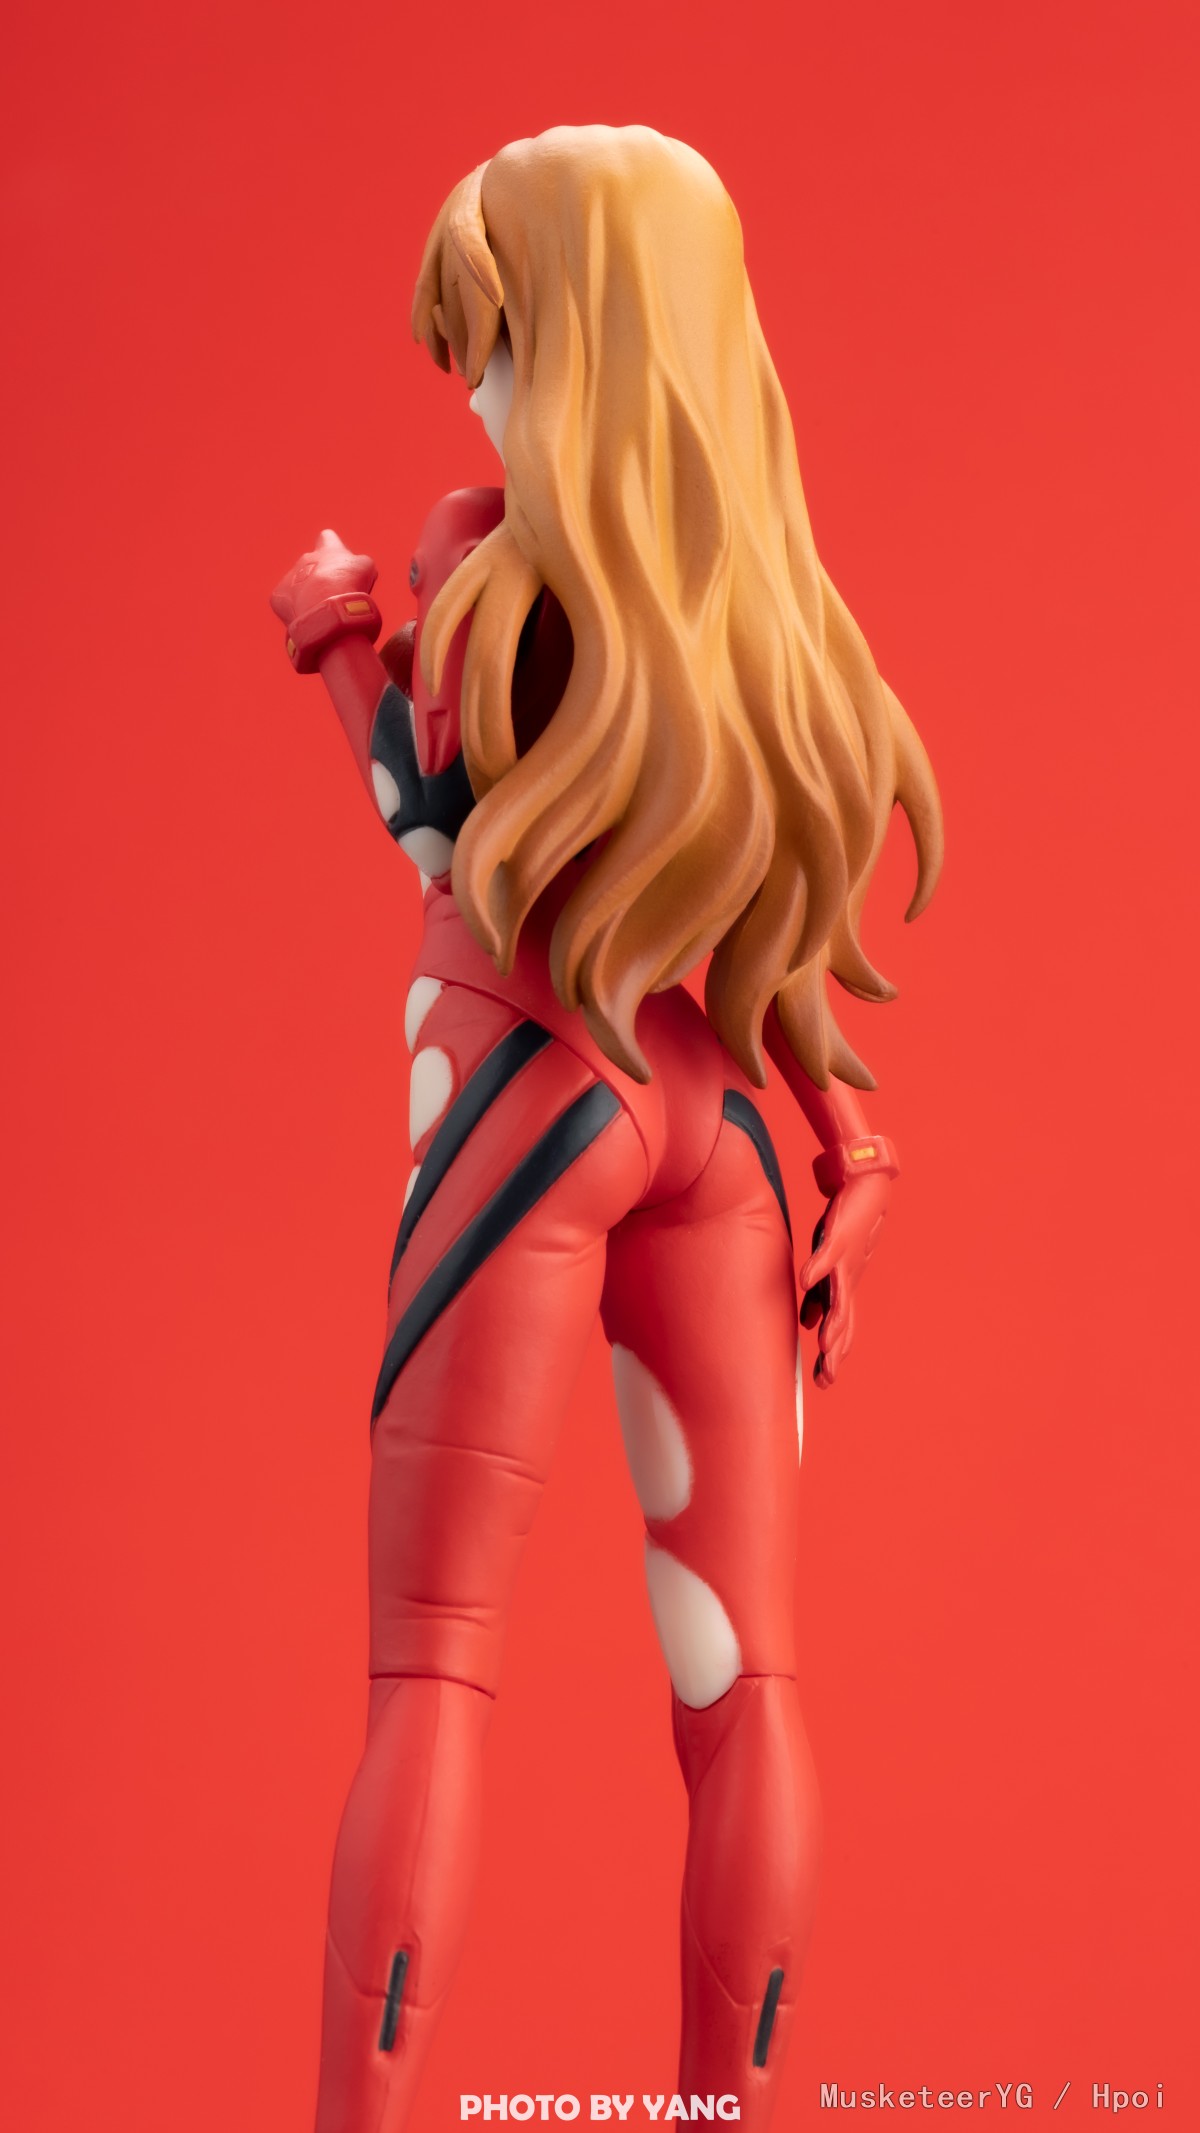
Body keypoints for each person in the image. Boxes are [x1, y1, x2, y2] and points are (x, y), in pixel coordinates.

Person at [269, 124, 942, 2133]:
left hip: (526, 1097)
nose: (472, 391)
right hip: (722, 1128)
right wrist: (852, 1144)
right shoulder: (765, 614)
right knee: (746, 1691)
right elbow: (769, 944)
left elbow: (434, 830)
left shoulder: (482, 561)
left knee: (433, 1666)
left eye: (489, 345)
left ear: (562, 346)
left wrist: (333, 641)